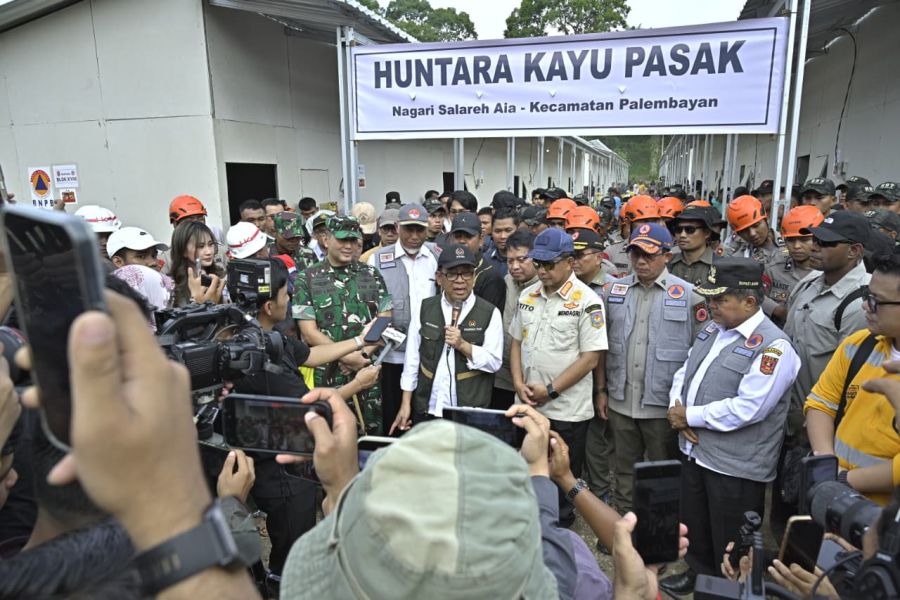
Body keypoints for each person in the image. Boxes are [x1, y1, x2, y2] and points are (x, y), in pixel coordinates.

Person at [230, 258, 379, 577]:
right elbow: (307, 411)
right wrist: (358, 384)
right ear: (269, 305)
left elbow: (309, 355)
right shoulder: (258, 359)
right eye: (286, 294)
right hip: (283, 474)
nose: (290, 299)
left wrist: (358, 342)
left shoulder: (269, 337)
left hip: (289, 461)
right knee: (293, 551)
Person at [661, 257, 800, 595]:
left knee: (731, 535)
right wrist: (676, 408)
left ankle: (729, 588)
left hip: (736, 466)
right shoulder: (713, 328)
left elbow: (749, 408)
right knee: (696, 521)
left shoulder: (774, 346)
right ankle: (699, 572)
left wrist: (690, 416)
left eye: (720, 299)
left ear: (749, 302)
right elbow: (685, 371)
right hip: (696, 451)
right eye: (710, 298)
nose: (711, 306)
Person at [509, 227, 607, 525]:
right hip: (528, 405)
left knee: (562, 482)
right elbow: (516, 343)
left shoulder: (587, 301)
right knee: (527, 474)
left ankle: (561, 534)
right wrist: (518, 383)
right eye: (538, 263)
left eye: (549, 264)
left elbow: (590, 358)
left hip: (566, 410)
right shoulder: (528, 294)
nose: (542, 271)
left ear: (569, 262)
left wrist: (550, 390)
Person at [602, 224, 694, 514]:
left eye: (649, 255)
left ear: (667, 255)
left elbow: (698, 355)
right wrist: (602, 391)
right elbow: (602, 346)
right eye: (635, 254)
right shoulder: (613, 291)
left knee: (661, 473)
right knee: (623, 470)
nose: (641, 261)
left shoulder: (689, 296)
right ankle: (624, 524)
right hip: (621, 400)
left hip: (661, 406)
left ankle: (659, 529)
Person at [805, 248, 900, 505]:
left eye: (877, 301)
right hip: (836, 501)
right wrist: (826, 464)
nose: (865, 306)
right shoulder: (860, 344)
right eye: (868, 294)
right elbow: (820, 403)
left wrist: (843, 480)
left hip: (883, 514)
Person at [292, 215, 391, 434]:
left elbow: (384, 317)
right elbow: (308, 332)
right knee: (332, 435)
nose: (348, 246)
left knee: (371, 437)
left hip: (367, 372)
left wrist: (363, 355)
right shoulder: (307, 278)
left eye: (353, 240)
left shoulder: (371, 274)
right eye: (342, 239)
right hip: (328, 375)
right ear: (326, 239)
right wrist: (347, 357)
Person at [392, 244, 502, 429]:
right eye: (452, 274)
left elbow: (494, 362)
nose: (460, 281)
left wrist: (463, 346)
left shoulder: (490, 313)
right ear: (439, 277)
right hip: (429, 406)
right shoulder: (425, 308)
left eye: (466, 274)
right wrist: (405, 404)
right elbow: (412, 360)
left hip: (469, 410)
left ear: (474, 277)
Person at [369, 203, 438, 433]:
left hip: (428, 355)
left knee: (424, 421)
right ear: (398, 227)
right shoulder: (378, 260)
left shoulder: (436, 256)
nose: (414, 236)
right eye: (409, 229)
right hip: (393, 356)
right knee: (393, 419)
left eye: (420, 230)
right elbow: (372, 309)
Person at [572, 227, 616, 509]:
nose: (575, 261)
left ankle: (600, 492)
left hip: (601, 371)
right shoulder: (567, 285)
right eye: (571, 255)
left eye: (581, 255)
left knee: (596, 438)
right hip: (571, 372)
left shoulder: (613, 289)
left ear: (599, 257)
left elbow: (605, 343)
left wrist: (602, 388)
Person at [494, 230, 538, 410]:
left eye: (521, 259)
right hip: (502, 375)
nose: (515, 266)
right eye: (510, 261)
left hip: (532, 379)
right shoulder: (506, 282)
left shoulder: (545, 288)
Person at [763, 205, 823, 324]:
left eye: (804, 240)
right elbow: (757, 295)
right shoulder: (774, 266)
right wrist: (775, 309)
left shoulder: (829, 272)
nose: (796, 246)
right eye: (790, 240)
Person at [449, 212, 506, 312]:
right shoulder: (444, 268)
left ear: (481, 239)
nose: (462, 241)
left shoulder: (490, 277)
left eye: (468, 236)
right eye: (457, 236)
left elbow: (488, 315)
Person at [170, 220, 226, 306]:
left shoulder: (221, 276)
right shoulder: (172, 286)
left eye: (210, 244)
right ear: (183, 250)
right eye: (200, 246)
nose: (209, 252)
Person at [667, 204, 720, 294]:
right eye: (678, 230)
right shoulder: (667, 263)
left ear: (707, 233)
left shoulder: (720, 267)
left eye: (690, 230)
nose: (682, 235)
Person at [724, 195, 788, 269]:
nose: (752, 234)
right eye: (744, 231)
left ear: (765, 219)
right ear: (738, 234)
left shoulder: (791, 243)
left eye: (756, 225)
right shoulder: (739, 260)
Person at [606, 195, 661, 278]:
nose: (648, 226)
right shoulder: (611, 252)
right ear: (628, 222)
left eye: (653, 221)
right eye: (643, 221)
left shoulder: (663, 253)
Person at [483, 207, 518, 276]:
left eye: (508, 230)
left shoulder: (529, 260)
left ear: (518, 229)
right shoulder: (484, 260)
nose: (503, 236)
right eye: (497, 231)